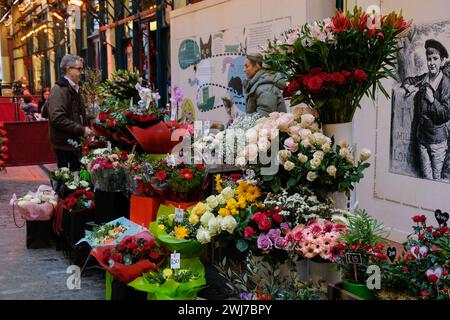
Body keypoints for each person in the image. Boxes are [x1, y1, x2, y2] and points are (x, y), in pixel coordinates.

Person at [403, 39, 450, 180]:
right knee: (425, 176)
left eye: (435, 59)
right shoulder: (424, 78)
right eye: (429, 59)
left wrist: (432, 100)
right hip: (422, 139)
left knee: (435, 178)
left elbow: (445, 114)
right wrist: (408, 86)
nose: (431, 63)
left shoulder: (446, 84)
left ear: (442, 62)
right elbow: (410, 80)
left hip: (438, 140)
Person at [47, 54, 93, 172]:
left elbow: (75, 114)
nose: (81, 72)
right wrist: (82, 130)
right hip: (65, 144)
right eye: (79, 69)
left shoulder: (73, 88)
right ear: (68, 69)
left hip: (72, 143)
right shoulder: (59, 90)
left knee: (76, 175)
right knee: (68, 179)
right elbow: (57, 118)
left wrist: (92, 119)